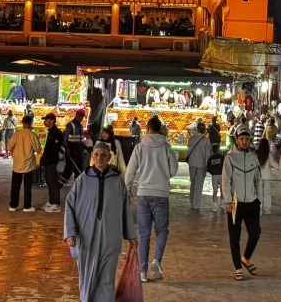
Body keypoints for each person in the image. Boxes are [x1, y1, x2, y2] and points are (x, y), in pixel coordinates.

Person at [64, 141, 137, 302]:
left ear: (109, 157)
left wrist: (131, 235)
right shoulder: (83, 179)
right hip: (86, 237)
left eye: (103, 155)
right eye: (96, 155)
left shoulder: (117, 181)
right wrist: (70, 233)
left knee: (107, 278)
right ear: (92, 157)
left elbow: (125, 208)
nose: (99, 158)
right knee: (87, 276)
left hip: (111, 237)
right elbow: (69, 206)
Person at [125, 116, 178, 283]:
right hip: (161, 194)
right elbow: (173, 171)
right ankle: (157, 260)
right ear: (159, 128)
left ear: (147, 128)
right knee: (162, 231)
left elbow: (130, 172)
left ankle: (142, 272)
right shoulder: (167, 148)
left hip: (143, 194)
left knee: (144, 234)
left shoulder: (140, 147)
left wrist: (126, 190)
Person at [222, 125, 264, 281]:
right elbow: (226, 181)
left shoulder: (254, 157)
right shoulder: (230, 158)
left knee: (255, 233)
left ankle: (245, 258)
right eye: (242, 139)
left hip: (252, 202)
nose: (244, 142)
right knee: (234, 236)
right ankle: (237, 268)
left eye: (247, 139)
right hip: (234, 204)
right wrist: (227, 201)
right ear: (237, 140)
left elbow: (258, 180)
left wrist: (259, 199)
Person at [7, 114, 41, 212]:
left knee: (15, 186)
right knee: (27, 186)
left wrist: (14, 153)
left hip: (17, 164)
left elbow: (9, 147)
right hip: (28, 164)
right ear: (31, 123)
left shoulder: (16, 134)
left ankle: (13, 205)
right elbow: (38, 149)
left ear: (22, 123)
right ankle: (27, 206)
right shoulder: (32, 135)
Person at [41, 113, 65, 212]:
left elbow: (54, 149)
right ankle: (51, 201)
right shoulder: (51, 132)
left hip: (52, 161)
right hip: (47, 161)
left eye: (46, 119)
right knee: (49, 182)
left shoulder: (56, 132)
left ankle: (56, 204)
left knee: (54, 182)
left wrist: (47, 158)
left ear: (52, 121)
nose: (44, 121)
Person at [186, 122, 210, 210]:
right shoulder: (206, 140)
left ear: (197, 129)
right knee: (199, 185)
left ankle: (191, 201)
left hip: (192, 164)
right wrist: (207, 165)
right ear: (204, 130)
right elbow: (207, 155)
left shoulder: (191, 139)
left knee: (193, 182)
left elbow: (188, 151)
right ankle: (196, 204)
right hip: (201, 165)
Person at [64, 110, 88, 182]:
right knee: (68, 171)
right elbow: (64, 137)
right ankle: (57, 186)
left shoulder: (80, 126)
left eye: (82, 116)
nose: (81, 118)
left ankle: (77, 187)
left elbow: (80, 140)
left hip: (78, 152)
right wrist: (66, 148)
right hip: (72, 152)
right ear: (76, 115)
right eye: (80, 116)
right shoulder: (70, 125)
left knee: (78, 171)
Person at [257, 138, 278, 214]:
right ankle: (267, 209)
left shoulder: (255, 153)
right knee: (267, 192)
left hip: (258, 176)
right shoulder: (269, 154)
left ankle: (259, 209)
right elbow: (274, 164)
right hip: (267, 176)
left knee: (258, 193)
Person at [207, 143, 225, 212]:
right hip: (221, 175)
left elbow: (208, 168)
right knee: (222, 190)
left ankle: (214, 206)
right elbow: (225, 166)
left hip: (214, 176)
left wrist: (213, 172)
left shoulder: (210, 158)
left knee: (215, 191)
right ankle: (222, 204)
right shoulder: (222, 157)